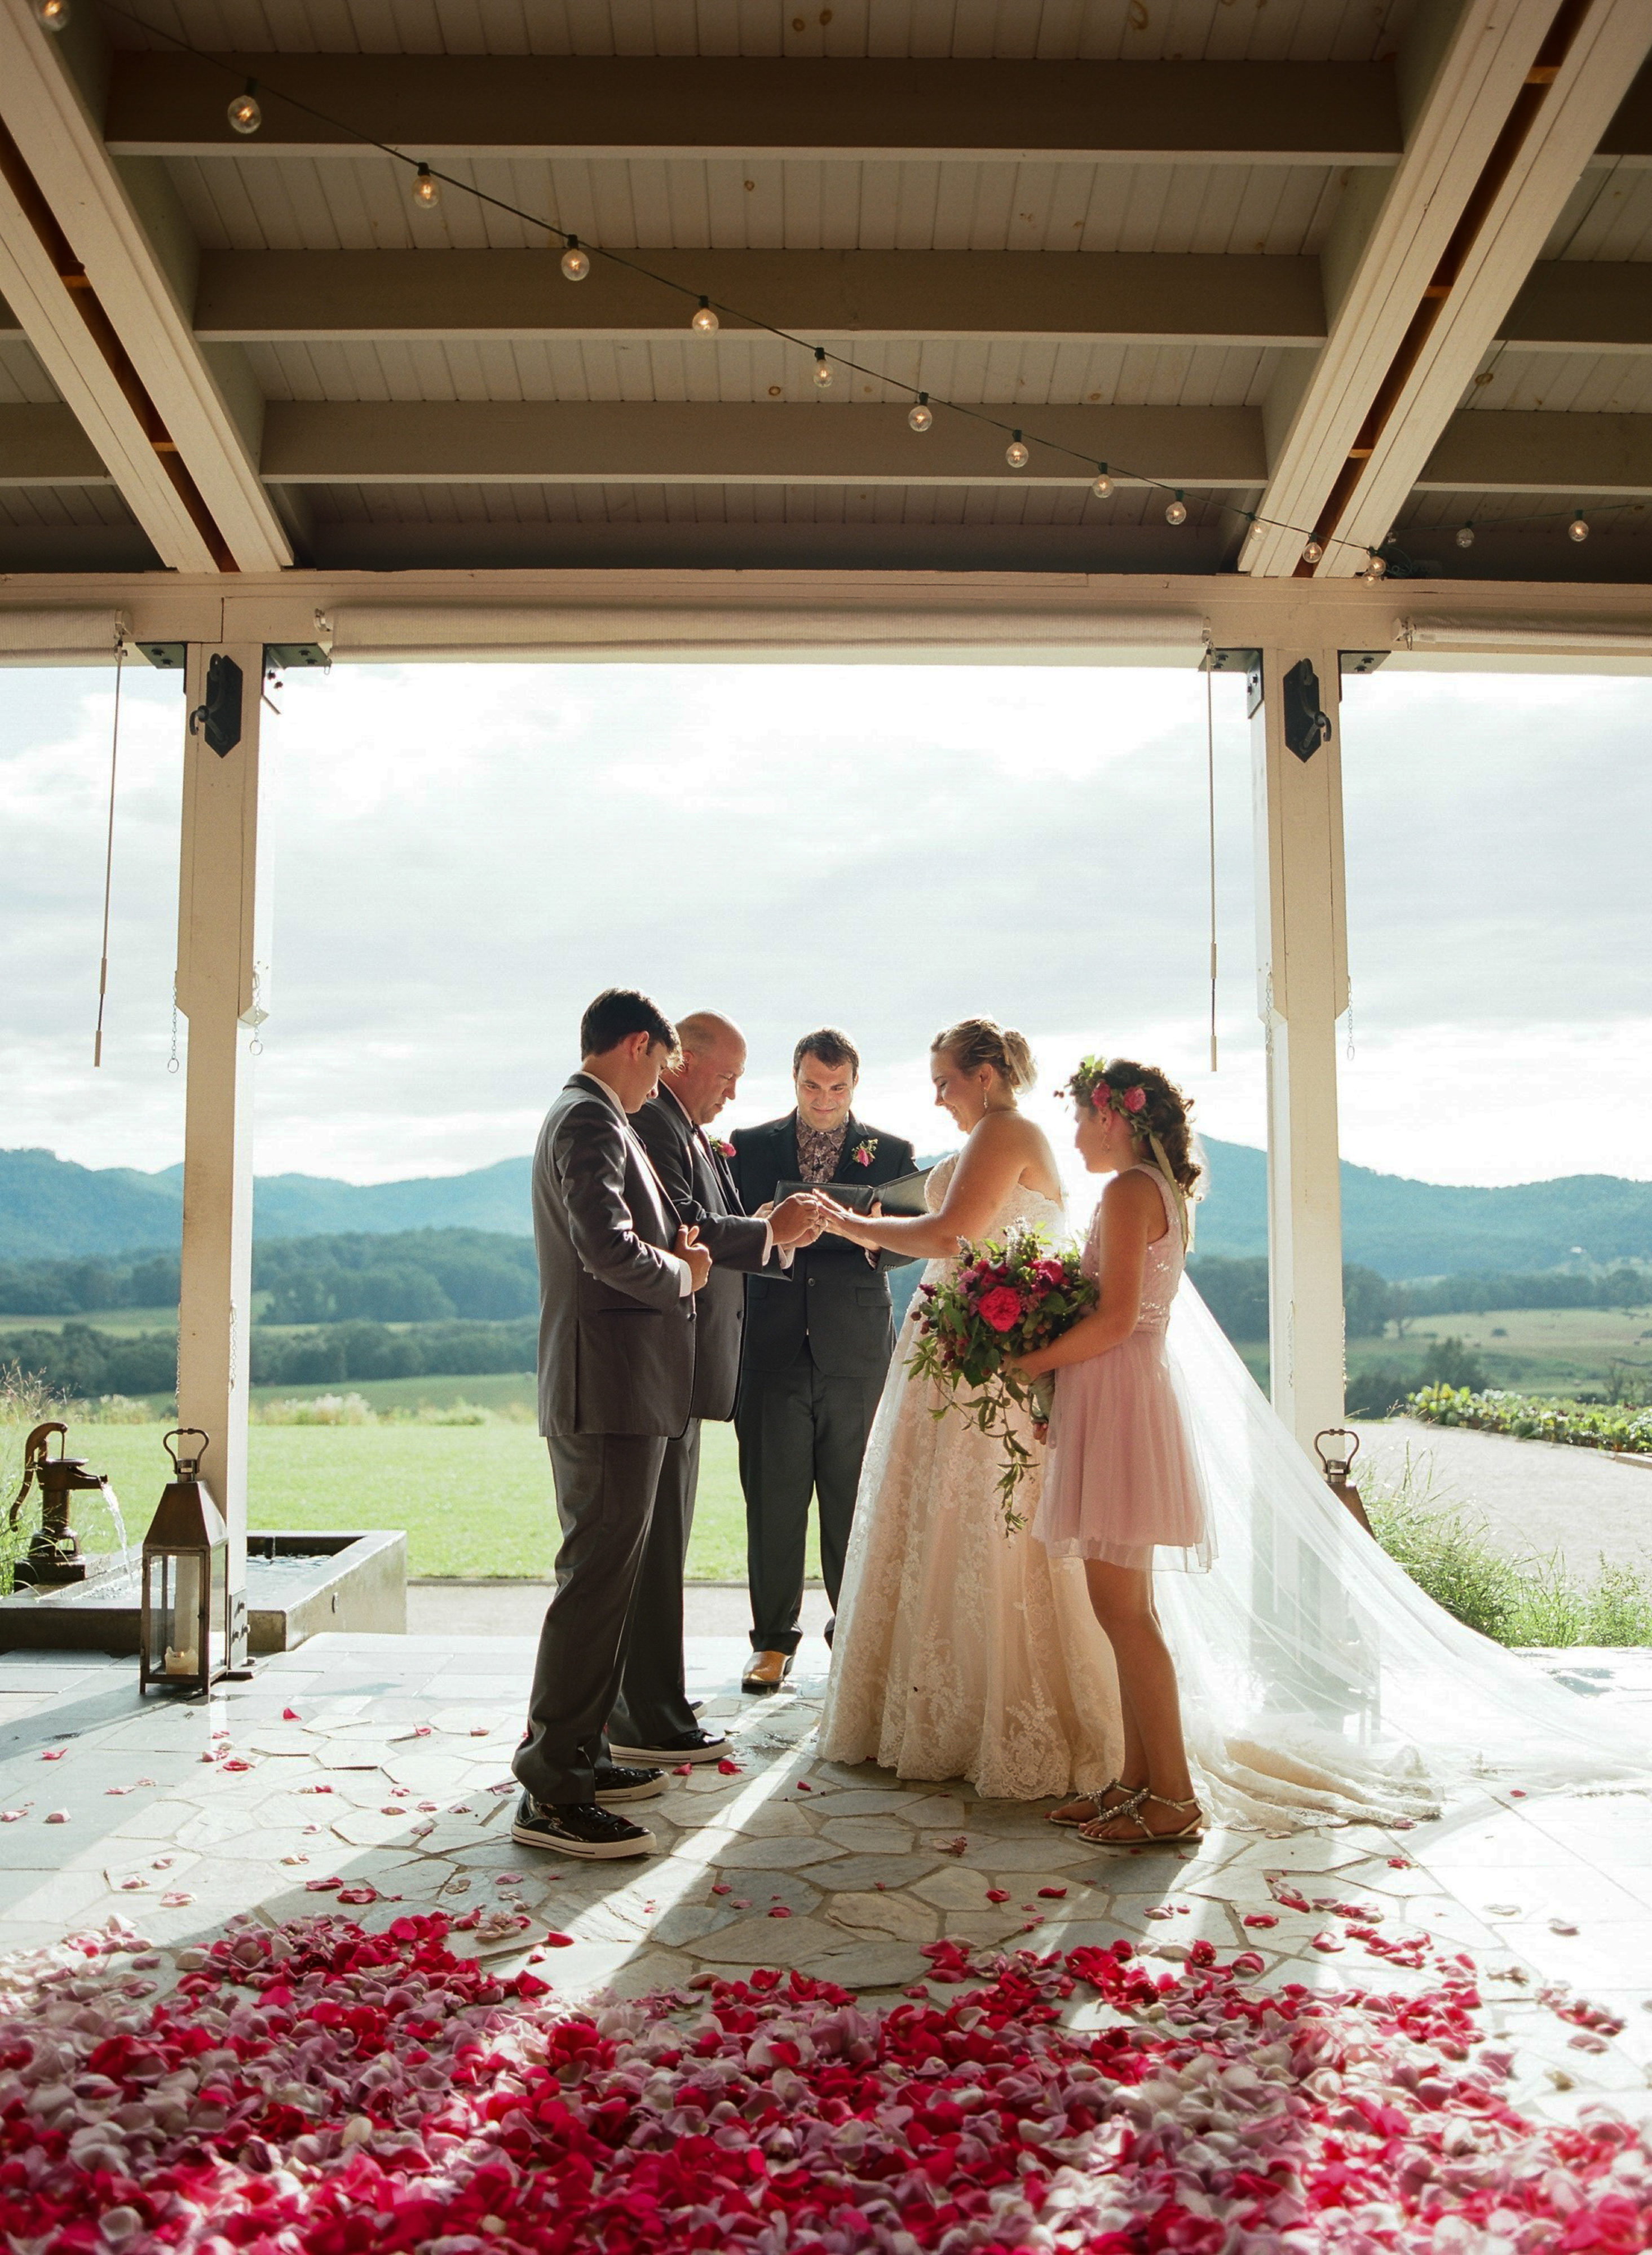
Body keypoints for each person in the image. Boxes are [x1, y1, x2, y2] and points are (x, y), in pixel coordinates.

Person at [814, 1019, 1125, 1800]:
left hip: (988, 1372)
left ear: (984, 1075)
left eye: (945, 1079)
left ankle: (1005, 1714)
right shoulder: (991, 1136)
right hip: (954, 1360)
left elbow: (953, 1234)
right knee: (942, 1530)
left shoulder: (1005, 1129)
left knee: (987, 1528)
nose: (937, 1094)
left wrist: (847, 1224)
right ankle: (934, 1708)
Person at [512, 988, 713, 1863]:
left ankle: (583, 1754)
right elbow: (608, 1249)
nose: (660, 1085)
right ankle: (554, 1790)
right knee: (592, 1590)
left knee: (606, 1586)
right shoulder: (587, 1122)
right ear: (637, 1045)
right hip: (608, 1397)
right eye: (662, 1065)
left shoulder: (589, 1114)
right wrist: (686, 1276)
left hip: (619, 1393)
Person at [613, 1011, 826, 1763]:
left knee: (664, 1540)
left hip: (687, 1362)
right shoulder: (657, 1125)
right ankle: (646, 1715)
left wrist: (766, 1226)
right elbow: (686, 1225)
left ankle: (654, 1699)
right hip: (665, 1359)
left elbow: (708, 1222)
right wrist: (771, 1232)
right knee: (654, 1543)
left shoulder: (682, 1126)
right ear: (681, 1062)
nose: (734, 1094)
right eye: (727, 1076)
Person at [1013, 1058, 1212, 1846]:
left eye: (1078, 1119)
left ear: (1111, 1118)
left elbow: (1118, 1316)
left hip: (1122, 1397)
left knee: (1124, 1614)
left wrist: (1030, 1362)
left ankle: (1175, 1798)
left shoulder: (1129, 1191)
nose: (1071, 1135)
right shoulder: (1140, 1189)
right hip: (1115, 1396)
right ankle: (1135, 1782)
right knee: (1122, 1608)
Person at [732, 1027, 917, 1691]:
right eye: (812, 1084)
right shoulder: (746, 1147)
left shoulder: (892, 1151)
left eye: (836, 1087)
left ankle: (854, 1632)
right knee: (773, 1499)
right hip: (770, 1343)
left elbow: (904, 1246)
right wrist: (764, 1221)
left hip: (857, 1346)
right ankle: (772, 1642)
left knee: (853, 1495)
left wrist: (861, 1229)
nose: (823, 1098)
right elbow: (729, 1231)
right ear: (793, 1077)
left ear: (854, 1085)